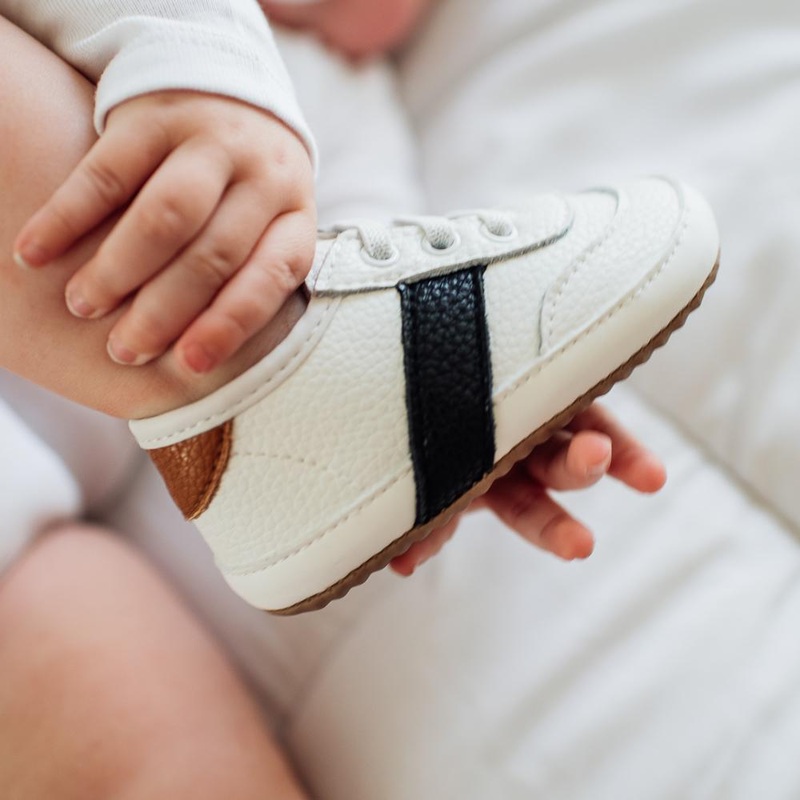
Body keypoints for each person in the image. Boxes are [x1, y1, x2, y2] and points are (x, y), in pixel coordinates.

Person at [0, 1, 691, 795]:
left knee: (167, 752)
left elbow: (368, 281)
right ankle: (266, 372)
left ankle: (289, 380)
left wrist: (462, 410)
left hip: (24, 532)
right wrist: (203, 63)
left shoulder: (349, 106)